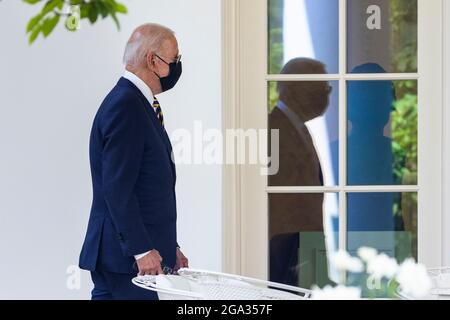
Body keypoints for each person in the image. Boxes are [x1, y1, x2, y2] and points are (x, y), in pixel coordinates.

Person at [79, 23, 188, 300]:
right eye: (174, 60)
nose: (177, 67)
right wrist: (141, 249)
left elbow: (144, 188)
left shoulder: (137, 103)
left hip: (129, 259)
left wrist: (168, 246)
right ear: (153, 60)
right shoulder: (126, 106)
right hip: (126, 260)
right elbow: (117, 188)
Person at [269, 58, 331, 287]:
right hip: (286, 256)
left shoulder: (297, 127)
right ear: (298, 90)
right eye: (323, 88)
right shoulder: (273, 129)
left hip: (303, 251)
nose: (327, 96)